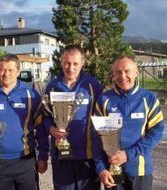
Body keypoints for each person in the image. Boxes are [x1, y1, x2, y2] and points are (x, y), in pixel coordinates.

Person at [0, 54, 48, 190]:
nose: (6, 74)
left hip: (26, 161)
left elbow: (41, 129)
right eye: (2, 70)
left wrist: (43, 156)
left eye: (10, 70)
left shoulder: (31, 95)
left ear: (18, 71)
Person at [92, 56, 164, 190]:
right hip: (112, 170)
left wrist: (128, 155)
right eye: (118, 72)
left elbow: (156, 133)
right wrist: (100, 168)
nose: (123, 76)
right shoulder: (104, 100)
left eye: (127, 71)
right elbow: (96, 138)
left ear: (136, 72)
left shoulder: (148, 99)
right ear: (113, 75)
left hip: (140, 170)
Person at [43, 45, 103, 190]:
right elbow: (45, 117)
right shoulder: (51, 87)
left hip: (87, 156)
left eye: (75, 63)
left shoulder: (93, 86)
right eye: (67, 63)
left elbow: (102, 117)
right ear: (61, 62)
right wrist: (52, 129)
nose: (70, 67)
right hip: (61, 156)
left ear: (83, 63)